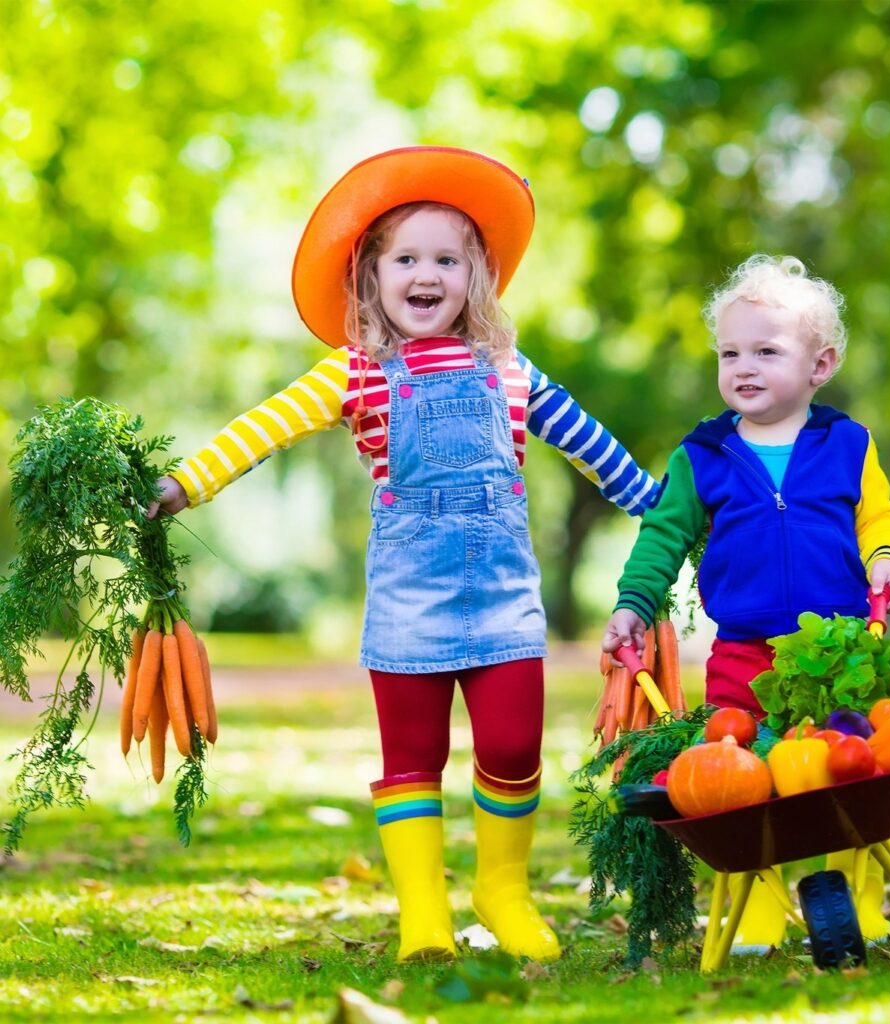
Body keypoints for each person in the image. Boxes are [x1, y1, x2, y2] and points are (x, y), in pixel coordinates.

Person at [148, 147, 659, 963]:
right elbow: (263, 428)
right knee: (412, 759)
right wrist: (184, 485)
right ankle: (424, 911)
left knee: (513, 747)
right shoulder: (355, 374)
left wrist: (662, 507)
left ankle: (502, 890)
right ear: (371, 276)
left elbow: (597, 449)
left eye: (447, 259)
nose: (427, 275)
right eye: (407, 259)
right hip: (408, 600)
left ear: (477, 276)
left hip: (503, 598)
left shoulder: (511, 371)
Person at [601, 254, 890, 950]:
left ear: (819, 365)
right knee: (742, 781)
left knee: (852, 774)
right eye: (729, 352)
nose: (743, 366)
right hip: (741, 650)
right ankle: (760, 910)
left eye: (766, 352)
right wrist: (631, 602)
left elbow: (877, 518)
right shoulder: (702, 455)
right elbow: (663, 536)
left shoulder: (847, 442)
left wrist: (886, 562)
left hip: (838, 649)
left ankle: (862, 903)